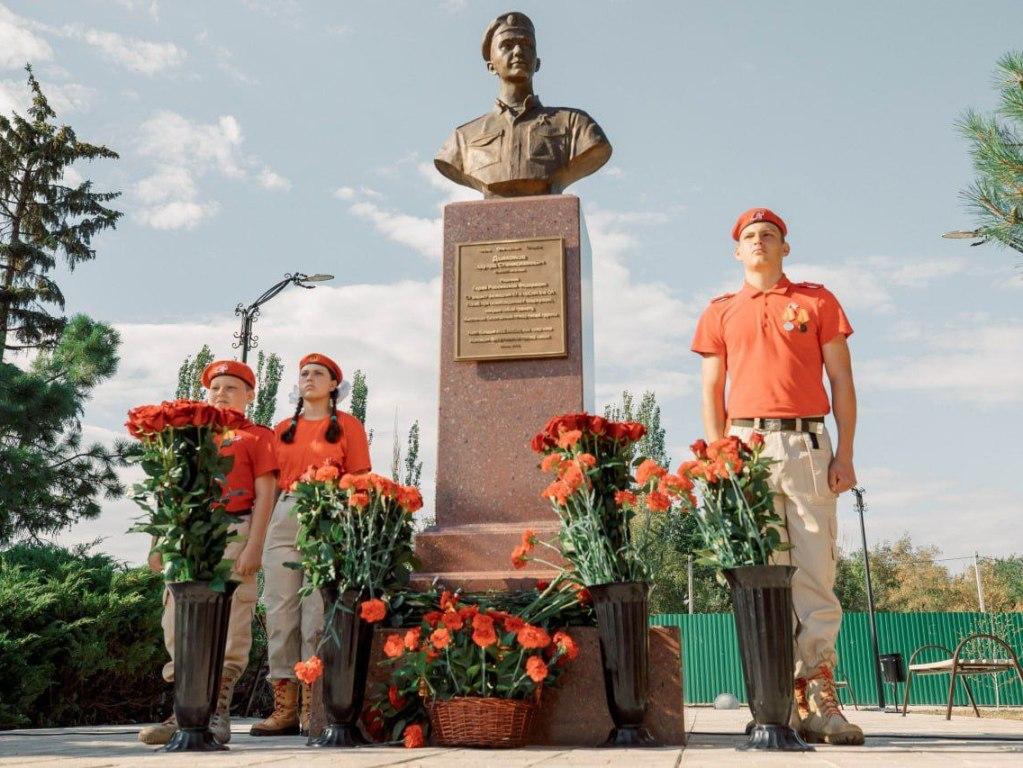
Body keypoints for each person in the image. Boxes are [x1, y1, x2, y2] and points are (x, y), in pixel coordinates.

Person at [690, 208, 864, 746]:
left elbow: (842, 380)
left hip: (808, 445)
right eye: (749, 237)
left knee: (814, 571)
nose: (759, 241)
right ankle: (777, 699)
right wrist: (720, 459)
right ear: (737, 252)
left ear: (785, 248)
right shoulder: (719, 312)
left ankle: (821, 695)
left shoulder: (816, 301)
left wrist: (847, 454)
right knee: (762, 574)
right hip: (746, 448)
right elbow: (711, 391)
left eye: (769, 235)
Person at [139, 360, 278, 746]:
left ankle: (216, 710)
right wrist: (156, 542)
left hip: (233, 529)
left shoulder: (257, 436)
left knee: (231, 618)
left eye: (232, 387)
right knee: (176, 618)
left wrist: (255, 545)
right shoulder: (191, 433)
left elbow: (266, 493)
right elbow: (168, 488)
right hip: (186, 532)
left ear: (250, 395)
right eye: (216, 387)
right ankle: (183, 709)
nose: (222, 393)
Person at [250, 353, 372, 737]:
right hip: (285, 514)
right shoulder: (282, 427)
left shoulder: (349, 426)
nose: (309, 378)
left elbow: (360, 479)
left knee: (316, 614)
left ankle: (311, 705)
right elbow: (267, 485)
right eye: (304, 373)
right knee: (279, 612)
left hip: (329, 515)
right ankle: (283, 707)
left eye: (319, 374)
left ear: (334, 385)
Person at [434, 11, 612, 197]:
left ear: (537, 63)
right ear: (491, 65)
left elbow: (596, 147)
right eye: (507, 45)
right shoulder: (462, 138)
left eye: (527, 45)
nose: (519, 51)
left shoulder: (576, 125)